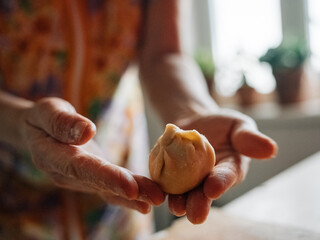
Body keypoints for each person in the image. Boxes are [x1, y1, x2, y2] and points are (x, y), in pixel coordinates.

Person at [0, 0, 278, 239]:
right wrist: (19, 123)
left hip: (120, 196)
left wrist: (193, 111)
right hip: (12, 206)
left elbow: (164, 53)